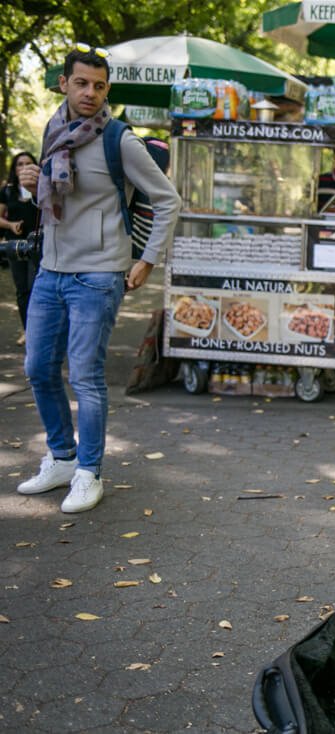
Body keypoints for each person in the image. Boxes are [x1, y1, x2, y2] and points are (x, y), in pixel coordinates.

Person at [15, 43, 181, 513]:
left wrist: (147, 260)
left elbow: (168, 199)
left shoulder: (120, 140)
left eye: (100, 86)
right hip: (50, 270)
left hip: (98, 274)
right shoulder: (54, 130)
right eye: (82, 83)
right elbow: (54, 201)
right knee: (38, 369)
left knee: (85, 377)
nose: (90, 93)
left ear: (107, 90)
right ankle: (61, 458)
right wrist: (32, 186)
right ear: (64, 84)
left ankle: (89, 472)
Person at [0, 152, 41, 346]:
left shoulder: (42, 188)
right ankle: (27, 330)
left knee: (35, 288)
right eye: (20, 164)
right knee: (22, 290)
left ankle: (38, 330)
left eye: (28, 163)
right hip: (15, 246)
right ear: (14, 169)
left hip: (37, 246)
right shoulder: (7, 191)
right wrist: (10, 225)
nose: (24, 167)